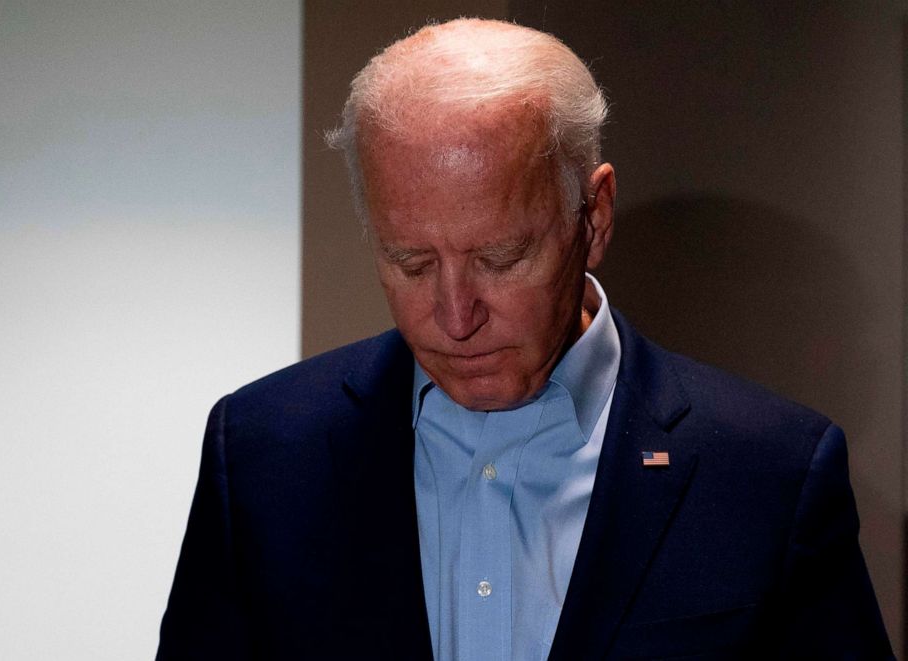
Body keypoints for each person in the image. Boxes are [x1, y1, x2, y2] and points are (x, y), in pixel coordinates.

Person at [156, 18, 892, 660]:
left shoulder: (771, 473)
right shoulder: (258, 454)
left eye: (500, 259)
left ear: (594, 217)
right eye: (411, 262)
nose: (455, 315)